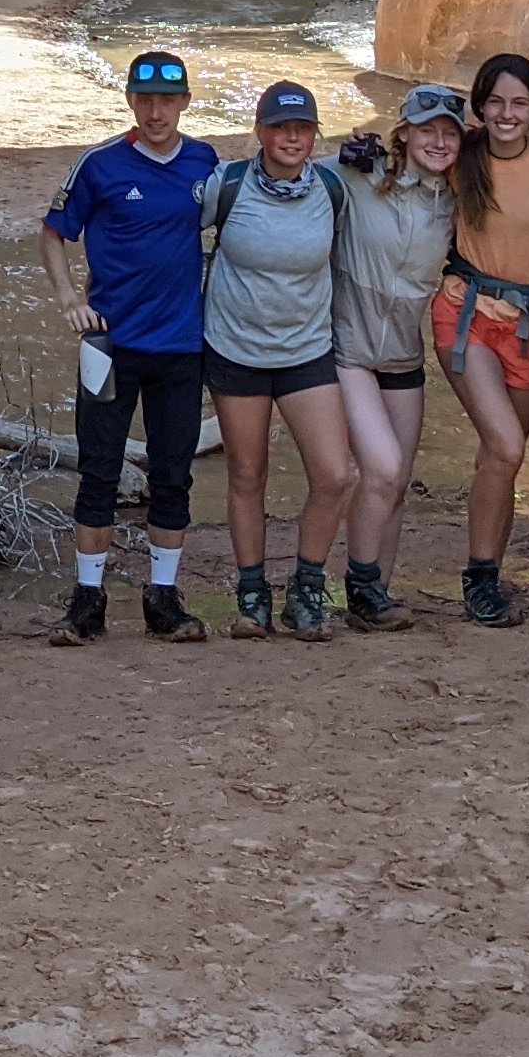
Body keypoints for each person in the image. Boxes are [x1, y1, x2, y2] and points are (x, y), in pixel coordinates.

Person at [38, 50, 213, 646]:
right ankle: (87, 602)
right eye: (145, 99)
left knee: (173, 475)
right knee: (98, 471)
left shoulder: (204, 162)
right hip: (108, 346)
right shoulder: (100, 165)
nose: (156, 111)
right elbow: (54, 232)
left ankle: (163, 600)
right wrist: (68, 301)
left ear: (186, 102)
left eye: (167, 100)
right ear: (131, 102)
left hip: (183, 347)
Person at [202, 78, 363, 641]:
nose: (290, 138)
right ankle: (251, 596)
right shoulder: (226, 185)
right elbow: (165, 240)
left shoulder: (333, 188)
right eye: (279, 128)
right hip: (235, 350)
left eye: (301, 128)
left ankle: (307, 589)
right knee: (248, 474)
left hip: (306, 351)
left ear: (315, 136)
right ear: (260, 132)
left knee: (335, 473)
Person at [431, 49, 529, 628]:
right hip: (465, 316)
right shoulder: (462, 155)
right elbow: (403, 154)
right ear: (480, 107)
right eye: (496, 102)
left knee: (501, 458)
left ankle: (490, 578)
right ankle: (479, 577)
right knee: (506, 446)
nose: (507, 113)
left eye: (520, 103)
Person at [332, 84, 466, 634]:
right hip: (349, 349)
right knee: (380, 470)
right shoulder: (357, 176)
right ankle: (358, 584)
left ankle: (376, 595)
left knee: (397, 481)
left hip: (405, 356)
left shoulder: (460, 199)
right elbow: (284, 167)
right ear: (404, 131)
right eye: (427, 129)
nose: (438, 141)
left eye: (449, 132)